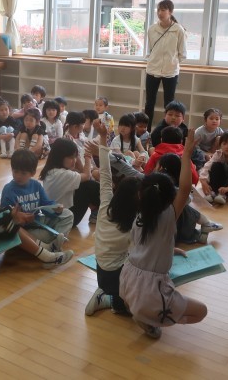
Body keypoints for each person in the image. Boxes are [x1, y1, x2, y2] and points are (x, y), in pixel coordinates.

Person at [119, 129, 207, 339]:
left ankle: (141, 311)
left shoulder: (140, 211)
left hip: (127, 278)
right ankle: (149, 317)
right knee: (201, 311)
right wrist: (186, 155)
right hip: (152, 289)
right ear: (170, 197)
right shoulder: (168, 215)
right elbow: (185, 188)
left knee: (142, 300)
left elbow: (146, 243)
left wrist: (169, 248)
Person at [85, 121, 134, 316]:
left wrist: (104, 136)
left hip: (102, 271)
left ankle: (105, 294)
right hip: (118, 276)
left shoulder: (106, 203)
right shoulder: (134, 225)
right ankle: (110, 300)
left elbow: (105, 172)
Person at [1, 149, 73, 244]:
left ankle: (54, 240)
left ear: (32, 173)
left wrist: (56, 208)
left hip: (38, 222)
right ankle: (53, 240)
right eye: (15, 171)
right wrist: (17, 217)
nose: (18, 176)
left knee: (68, 214)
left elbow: (46, 204)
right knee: (43, 235)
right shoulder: (9, 189)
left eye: (23, 173)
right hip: (24, 230)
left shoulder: (36, 185)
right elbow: (5, 216)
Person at [144, 0, 187, 129]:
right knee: (149, 103)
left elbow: (182, 53)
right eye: (158, 10)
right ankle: (146, 131)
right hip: (153, 69)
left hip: (171, 71)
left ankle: (168, 132)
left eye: (163, 10)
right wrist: (152, 60)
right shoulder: (152, 29)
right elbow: (149, 49)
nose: (160, 13)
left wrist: (172, 62)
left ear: (170, 12)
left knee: (169, 104)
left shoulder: (178, 30)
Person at [41, 138, 100, 227]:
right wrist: (88, 156)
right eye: (70, 157)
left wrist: (77, 154)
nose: (74, 160)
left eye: (75, 156)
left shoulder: (52, 171)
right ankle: (98, 211)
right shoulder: (62, 174)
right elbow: (87, 176)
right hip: (64, 219)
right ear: (59, 157)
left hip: (56, 214)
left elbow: (82, 172)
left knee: (84, 183)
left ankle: (95, 209)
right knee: (90, 185)